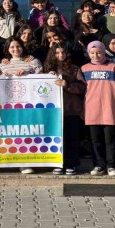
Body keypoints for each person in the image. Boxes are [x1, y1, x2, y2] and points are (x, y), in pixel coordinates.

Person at [80, 41, 115, 177]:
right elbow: (80, 91)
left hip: (110, 108)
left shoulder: (114, 67)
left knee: (110, 140)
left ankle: (111, 165)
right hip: (91, 110)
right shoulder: (84, 69)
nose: (96, 55)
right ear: (88, 53)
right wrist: (81, 110)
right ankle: (98, 165)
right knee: (95, 140)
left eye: (99, 52)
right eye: (92, 53)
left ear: (103, 52)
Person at [0, 37, 43, 175]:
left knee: (27, 133)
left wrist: (27, 74)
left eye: (18, 46)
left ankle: (26, 162)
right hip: (9, 106)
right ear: (8, 49)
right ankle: (14, 161)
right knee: (13, 134)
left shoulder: (33, 61)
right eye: (12, 47)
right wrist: (2, 76)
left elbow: (41, 76)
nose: (15, 49)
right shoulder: (3, 65)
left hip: (29, 104)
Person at [45, 42, 86, 175]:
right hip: (53, 111)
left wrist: (67, 85)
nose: (60, 55)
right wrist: (47, 77)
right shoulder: (47, 69)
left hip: (71, 109)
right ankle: (57, 163)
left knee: (72, 137)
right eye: (57, 53)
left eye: (63, 52)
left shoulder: (74, 68)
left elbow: (82, 87)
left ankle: (71, 164)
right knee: (56, 138)